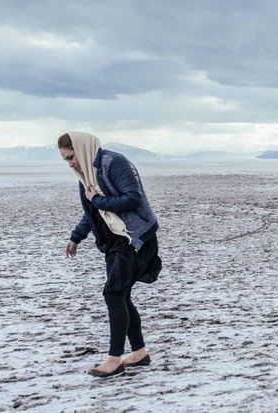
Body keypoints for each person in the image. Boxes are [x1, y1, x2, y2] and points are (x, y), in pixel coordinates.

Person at [59, 132, 162, 378]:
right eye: (66, 160)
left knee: (114, 293)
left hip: (135, 238)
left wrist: (97, 199)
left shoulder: (114, 163)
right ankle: (139, 352)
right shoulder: (86, 176)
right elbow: (92, 212)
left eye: (71, 157)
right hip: (115, 242)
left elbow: (132, 198)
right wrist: (76, 236)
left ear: (82, 149)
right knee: (121, 295)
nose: (70, 163)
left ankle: (114, 358)